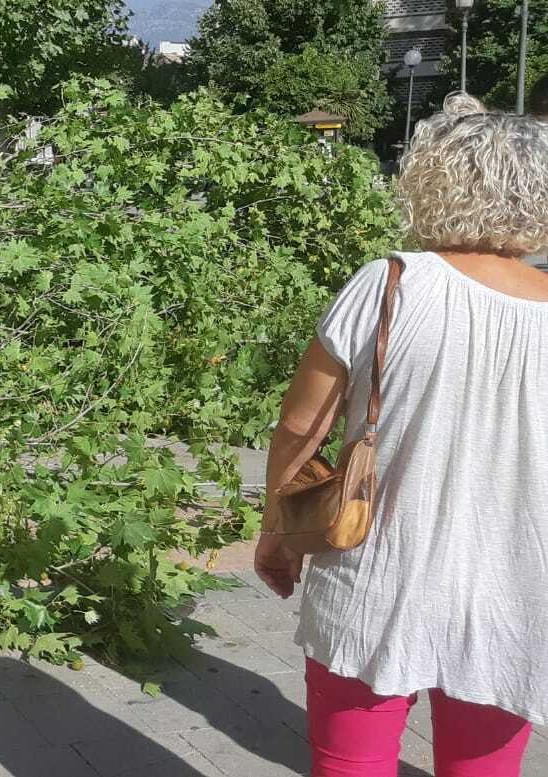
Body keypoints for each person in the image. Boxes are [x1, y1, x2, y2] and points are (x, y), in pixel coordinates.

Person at [256, 92, 548, 776]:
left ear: (431, 181)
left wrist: (278, 524)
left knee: (349, 764)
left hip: (376, 572)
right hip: (517, 585)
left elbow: (301, 425)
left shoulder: (389, 283)